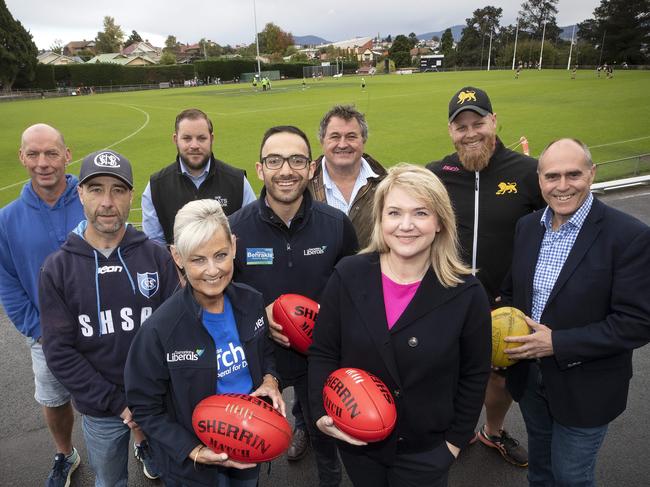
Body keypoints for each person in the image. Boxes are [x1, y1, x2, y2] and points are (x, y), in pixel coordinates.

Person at [309, 164, 491, 487]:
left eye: (420, 213)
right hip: (359, 448)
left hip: (428, 452)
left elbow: (475, 374)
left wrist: (453, 444)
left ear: (439, 222)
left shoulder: (467, 292)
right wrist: (323, 410)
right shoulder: (348, 275)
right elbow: (323, 352)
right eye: (394, 213)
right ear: (381, 221)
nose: (406, 225)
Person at [501, 138, 650, 487]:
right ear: (540, 180)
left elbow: (638, 323)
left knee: (571, 477)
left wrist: (558, 343)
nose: (563, 186)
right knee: (540, 469)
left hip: (587, 388)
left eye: (574, 174)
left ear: (592, 173)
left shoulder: (629, 236)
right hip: (531, 379)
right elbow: (512, 291)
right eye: (552, 176)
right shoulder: (527, 226)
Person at [39, 149, 180, 486]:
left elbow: (177, 329)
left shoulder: (156, 257)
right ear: (80, 194)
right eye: (96, 189)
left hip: (157, 399)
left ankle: (147, 448)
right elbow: (59, 351)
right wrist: (116, 402)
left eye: (118, 190)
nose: (107, 201)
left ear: (131, 195)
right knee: (110, 481)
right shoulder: (58, 268)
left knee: (177, 471)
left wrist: (154, 391)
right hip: (102, 411)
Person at [228, 125, 358, 486]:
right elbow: (219, 294)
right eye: (275, 160)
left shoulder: (336, 225)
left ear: (312, 168)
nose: (286, 170)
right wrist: (258, 313)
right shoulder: (234, 229)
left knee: (326, 440)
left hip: (319, 354)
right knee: (249, 441)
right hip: (258, 354)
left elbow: (355, 289)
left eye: (297, 160)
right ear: (259, 169)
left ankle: (312, 443)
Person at [125, 199, 283, 486]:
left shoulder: (252, 301)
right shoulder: (160, 330)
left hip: (249, 444)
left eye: (221, 254)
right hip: (195, 468)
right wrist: (192, 450)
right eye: (198, 259)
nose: (213, 270)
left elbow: (266, 352)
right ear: (177, 256)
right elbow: (144, 406)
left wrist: (271, 379)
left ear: (234, 246)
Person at [427, 86, 545, 467]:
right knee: (444, 373)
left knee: (499, 378)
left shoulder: (529, 172)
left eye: (478, 123)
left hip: (506, 301)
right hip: (448, 297)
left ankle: (492, 431)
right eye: (461, 127)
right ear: (450, 131)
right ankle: (449, 434)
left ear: (494, 122)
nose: (471, 132)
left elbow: (556, 229)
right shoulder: (436, 174)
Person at [0, 124, 85, 487]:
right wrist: (38, 331)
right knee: (53, 398)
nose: (43, 162)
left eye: (51, 153)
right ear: (22, 157)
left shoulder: (92, 198)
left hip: (106, 324)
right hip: (46, 335)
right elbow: (8, 282)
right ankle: (65, 453)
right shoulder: (6, 219)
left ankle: (142, 443)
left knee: (128, 388)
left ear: (67, 155)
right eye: (33, 154)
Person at [141, 108, 256, 246]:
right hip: (175, 267)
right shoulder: (156, 186)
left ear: (211, 139)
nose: (194, 145)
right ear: (175, 139)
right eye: (187, 138)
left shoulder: (238, 181)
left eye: (201, 138)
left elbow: (252, 234)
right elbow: (155, 246)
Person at [310, 105, 387, 248]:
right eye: (335, 137)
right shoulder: (302, 186)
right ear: (322, 141)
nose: (343, 144)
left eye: (351, 137)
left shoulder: (387, 184)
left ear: (363, 140)